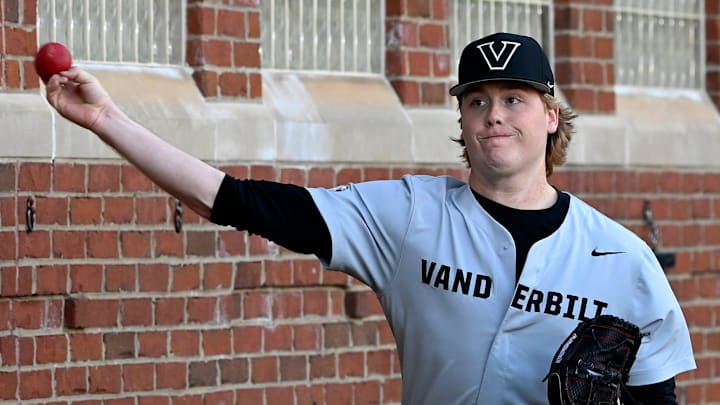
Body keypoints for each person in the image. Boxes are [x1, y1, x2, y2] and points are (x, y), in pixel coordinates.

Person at [45, 32, 695, 404]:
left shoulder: (621, 258)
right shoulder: (407, 216)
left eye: (514, 98)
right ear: (462, 121)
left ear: (550, 116)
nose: (495, 113)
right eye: (477, 100)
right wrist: (108, 120)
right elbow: (239, 200)